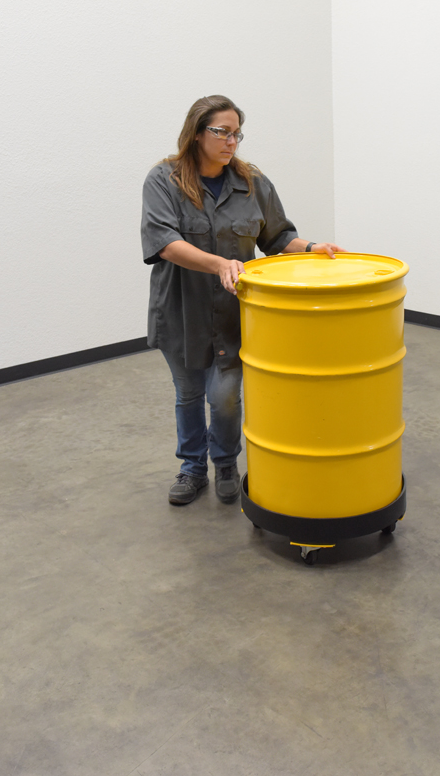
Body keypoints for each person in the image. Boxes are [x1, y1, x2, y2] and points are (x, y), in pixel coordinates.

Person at [141, 95, 346, 505]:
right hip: (181, 311)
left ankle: (225, 464)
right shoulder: (163, 180)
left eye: (237, 133)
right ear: (196, 133)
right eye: (222, 132)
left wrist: (312, 248)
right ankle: (192, 468)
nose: (231, 141)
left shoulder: (252, 182)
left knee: (225, 398)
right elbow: (164, 242)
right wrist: (219, 263)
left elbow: (278, 236)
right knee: (188, 394)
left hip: (233, 314)